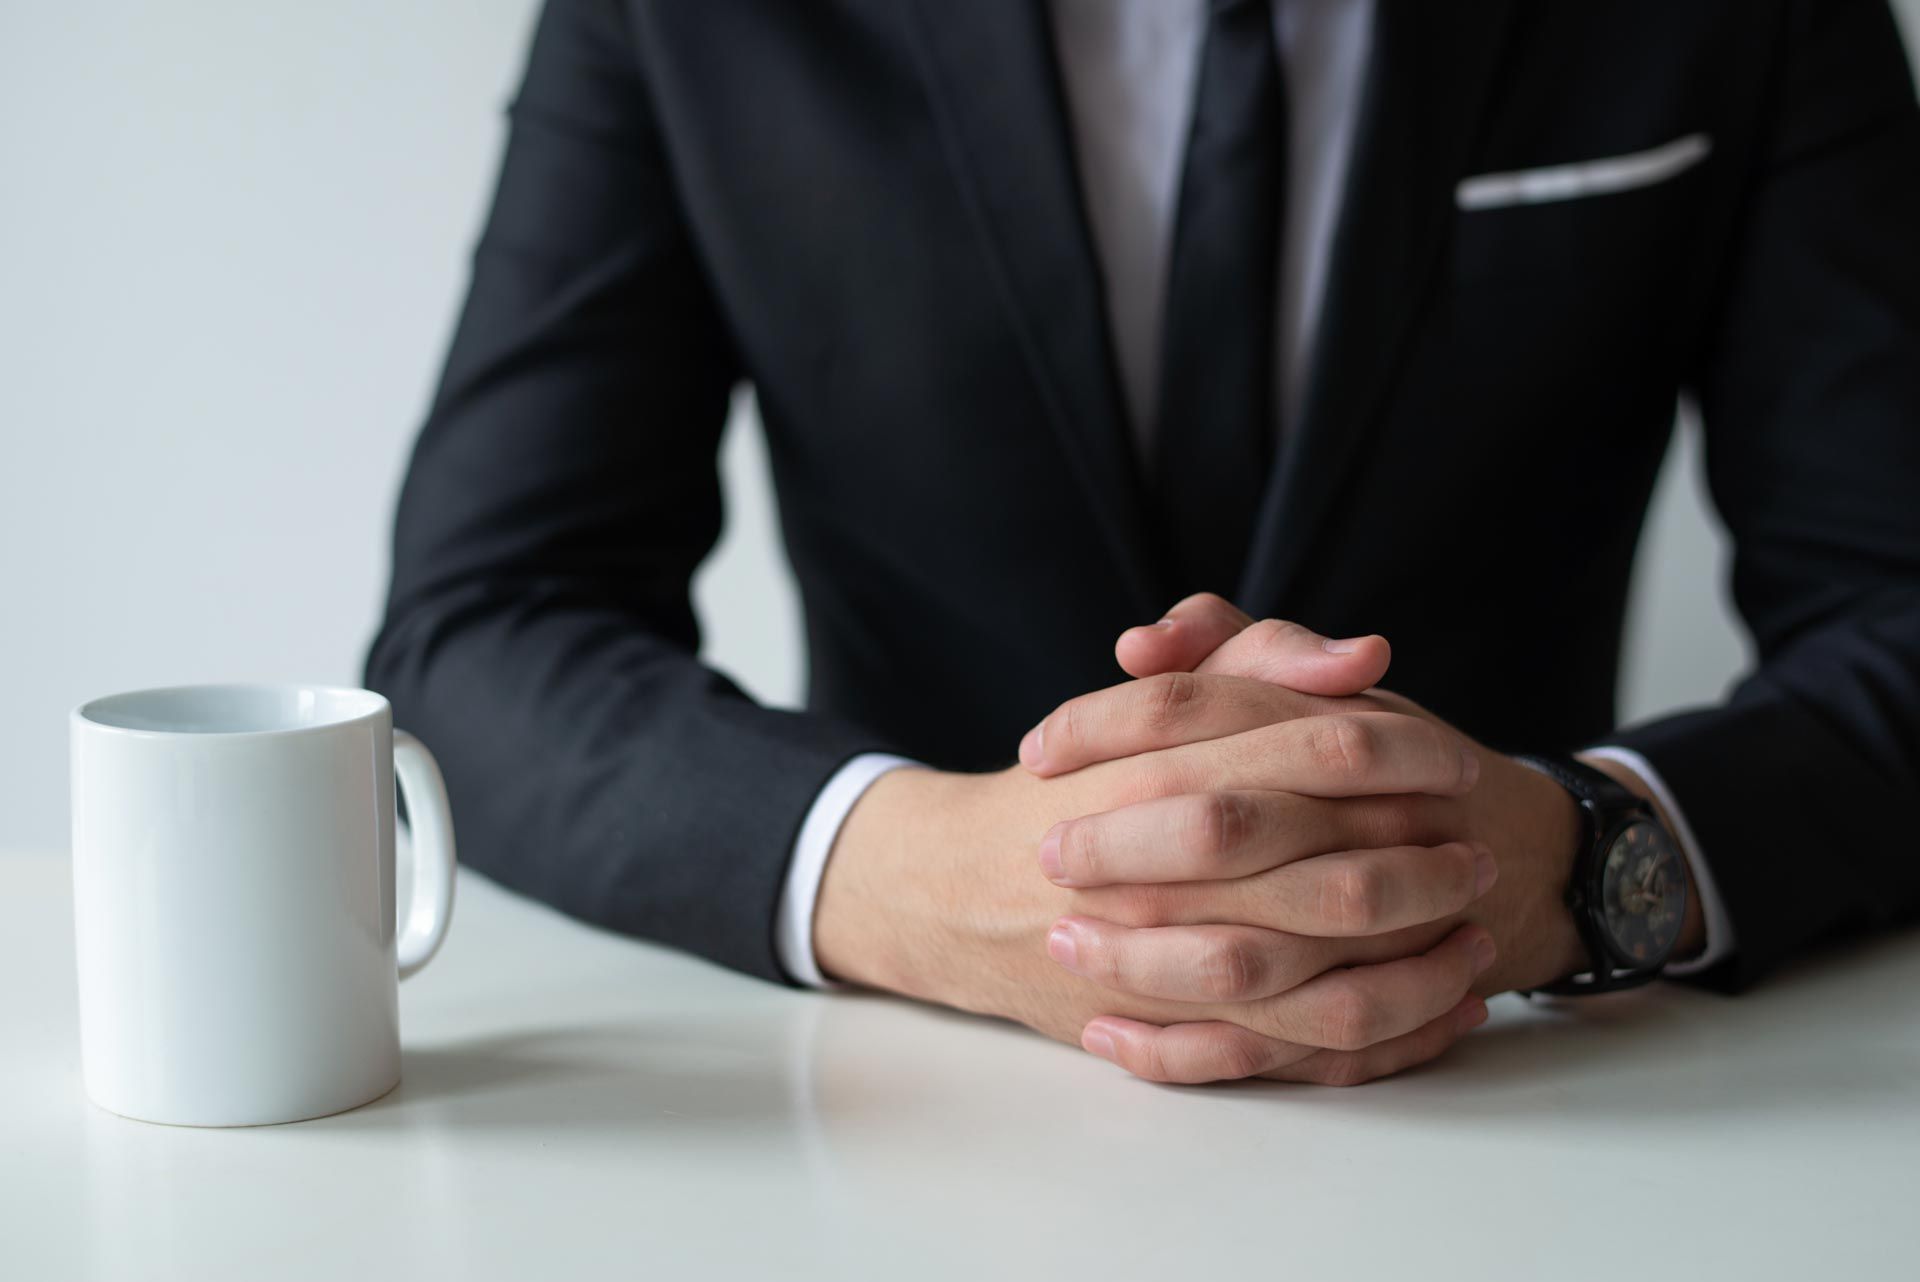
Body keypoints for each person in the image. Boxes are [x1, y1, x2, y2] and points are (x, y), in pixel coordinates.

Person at [366, 0, 1920, 1085]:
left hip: (1544, 1080)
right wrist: (924, 880)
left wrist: (1578, 864)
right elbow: (481, 620)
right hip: (887, 1120)